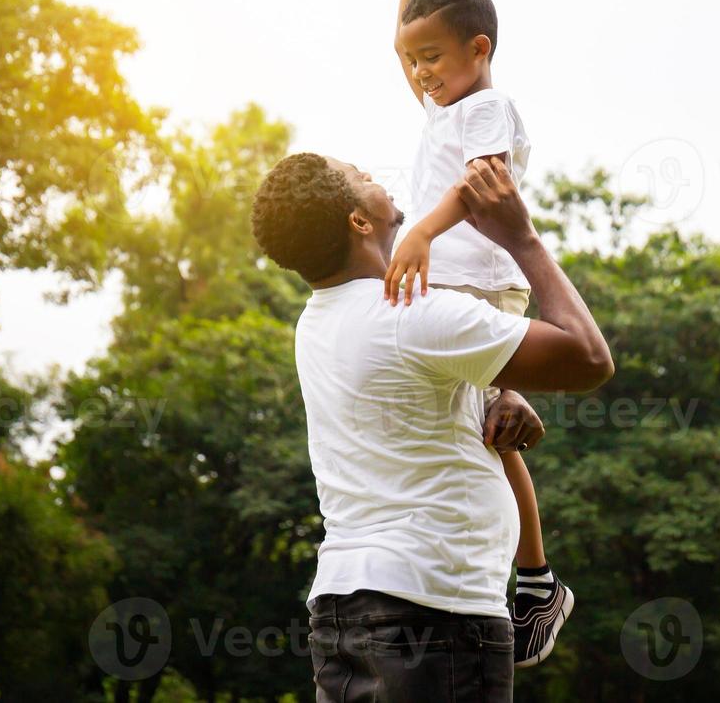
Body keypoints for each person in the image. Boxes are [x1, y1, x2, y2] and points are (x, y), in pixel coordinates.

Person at [250, 151, 613, 702]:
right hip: (433, 613)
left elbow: (425, 397)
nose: (373, 174)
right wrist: (523, 239)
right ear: (358, 220)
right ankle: (541, 589)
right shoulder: (410, 315)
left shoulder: (317, 323)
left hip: (343, 613)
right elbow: (590, 359)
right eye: (360, 178)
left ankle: (540, 587)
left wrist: (498, 391)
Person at [380, 0, 573, 667]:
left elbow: (484, 183)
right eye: (413, 62)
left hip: (486, 286)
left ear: (478, 50)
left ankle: (535, 580)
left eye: (433, 57)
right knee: (479, 430)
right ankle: (528, 574)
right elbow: (407, 37)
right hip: (449, 291)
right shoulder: (445, 101)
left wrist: (422, 230)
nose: (420, 72)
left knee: (491, 429)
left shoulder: (487, 108)